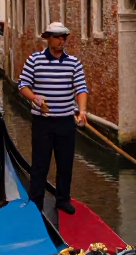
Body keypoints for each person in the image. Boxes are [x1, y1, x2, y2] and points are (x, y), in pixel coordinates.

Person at [17, 21, 88, 215]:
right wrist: (35, 98)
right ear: (48, 38)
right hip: (43, 123)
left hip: (65, 121)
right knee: (40, 164)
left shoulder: (74, 62)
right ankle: (36, 202)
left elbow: (81, 88)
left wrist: (82, 111)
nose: (61, 41)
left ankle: (62, 201)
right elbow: (22, 84)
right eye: (57, 37)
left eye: (64, 37)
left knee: (65, 164)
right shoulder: (35, 60)